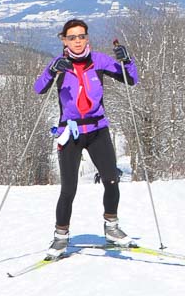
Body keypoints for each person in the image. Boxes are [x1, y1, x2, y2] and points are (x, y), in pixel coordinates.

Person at [34, 18, 137, 256]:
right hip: (70, 133)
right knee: (69, 189)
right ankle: (61, 237)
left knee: (111, 179)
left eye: (81, 36)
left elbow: (130, 79)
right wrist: (51, 71)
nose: (78, 41)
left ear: (86, 38)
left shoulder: (99, 61)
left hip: (98, 129)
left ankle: (111, 227)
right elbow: (39, 88)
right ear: (64, 40)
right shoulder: (59, 64)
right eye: (72, 37)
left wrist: (127, 60)